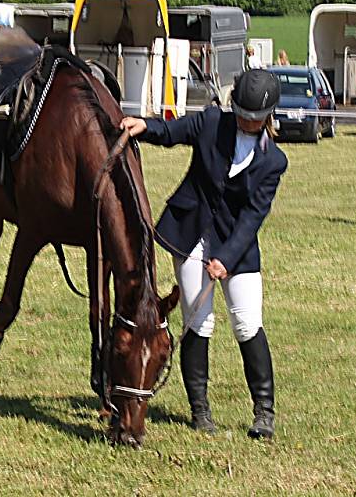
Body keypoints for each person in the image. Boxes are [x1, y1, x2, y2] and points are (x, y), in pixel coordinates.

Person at [120, 69, 287, 440]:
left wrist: (226, 257)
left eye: (254, 118)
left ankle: (264, 412)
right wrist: (143, 126)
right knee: (199, 322)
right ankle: (200, 411)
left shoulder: (274, 161)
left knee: (247, 323)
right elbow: (173, 132)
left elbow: (252, 217)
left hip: (237, 248)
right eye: (242, 112)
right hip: (191, 235)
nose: (246, 121)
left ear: (267, 118)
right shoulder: (212, 123)